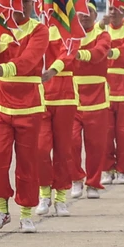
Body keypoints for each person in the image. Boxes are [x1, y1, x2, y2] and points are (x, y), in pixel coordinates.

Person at [0, 0, 48, 233]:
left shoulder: (40, 30)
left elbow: (29, 61)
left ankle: (26, 213)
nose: (25, 6)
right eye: (20, 1)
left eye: (28, 2)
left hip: (29, 104)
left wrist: (5, 68)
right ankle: (1, 209)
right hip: (0, 102)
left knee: (27, 161)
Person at [36, 17, 78, 215]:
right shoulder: (36, 29)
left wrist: (53, 70)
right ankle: (44, 193)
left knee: (63, 150)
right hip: (41, 96)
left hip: (65, 96)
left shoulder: (70, 29)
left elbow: (68, 53)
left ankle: (61, 197)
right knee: (41, 149)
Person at [70, 0, 111, 199]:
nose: (85, 15)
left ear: (96, 15)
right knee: (72, 141)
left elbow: (99, 53)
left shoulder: (102, 34)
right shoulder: (69, 37)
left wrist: (80, 55)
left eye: (90, 11)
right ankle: (76, 178)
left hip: (97, 95)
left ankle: (93, 183)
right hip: (73, 95)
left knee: (95, 144)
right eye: (82, 12)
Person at [102, 4, 124, 185]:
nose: (114, 13)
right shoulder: (101, 30)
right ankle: (107, 169)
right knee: (106, 133)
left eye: (118, 10)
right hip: (104, 89)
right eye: (111, 9)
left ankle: (123, 170)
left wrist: (111, 52)